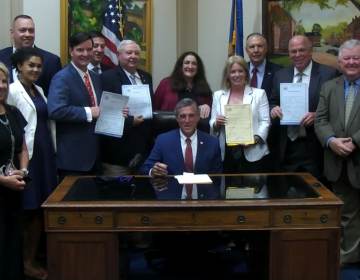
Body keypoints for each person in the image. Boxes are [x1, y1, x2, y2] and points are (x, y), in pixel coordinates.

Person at [8, 47, 57, 280]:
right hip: (27, 158)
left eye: (39, 66)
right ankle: (22, 262)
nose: (36, 69)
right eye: (31, 65)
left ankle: (31, 259)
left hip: (45, 154)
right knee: (27, 211)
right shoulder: (11, 91)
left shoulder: (39, 89)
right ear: (19, 66)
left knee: (39, 209)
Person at [315, 39, 360, 266]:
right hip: (338, 161)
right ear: (339, 62)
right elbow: (320, 120)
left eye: (356, 58)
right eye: (347, 58)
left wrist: (356, 142)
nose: (351, 62)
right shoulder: (329, 87)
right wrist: (331, 140)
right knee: (346, 214)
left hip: (357, 156)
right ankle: (349, 259)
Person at [270, 35, 337, 177]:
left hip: (314, 146)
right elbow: (272, 101)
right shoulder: (280, 75)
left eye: (302, 50)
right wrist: (273, 109)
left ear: (311, 51)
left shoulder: (328, 74)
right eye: (293, 51)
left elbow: (336, 108)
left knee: (316, 194)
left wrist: (317, 115)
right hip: (286, 146)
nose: (297, 55)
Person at [47, 32, 101, 180]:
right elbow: (56, 110)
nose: (86, 54)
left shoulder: (95, 77)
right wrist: (89, 112)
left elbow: (99, 108)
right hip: (73, 159)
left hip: (95, 156)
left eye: (89, 49)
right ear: (71, 51)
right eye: (80, 50)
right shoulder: (62, 77)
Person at [100, 40, 153, 175]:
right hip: (118, 151)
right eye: (129, 53)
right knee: (118, 192)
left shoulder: (146, 77)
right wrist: (130, 121)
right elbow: (106, 114)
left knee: (143, 192)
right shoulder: (107, 78)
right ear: (118, 55)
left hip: (143, 149)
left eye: (136, 53)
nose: (133, 56)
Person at [209, 55, 270, 173]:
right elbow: (212, 122)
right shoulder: (218, 95)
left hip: (253, 150)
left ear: (246, 73)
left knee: (253, 189)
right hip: (226, 151)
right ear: (227, 75)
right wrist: (216, 123)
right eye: (232, 72)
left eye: (240, 71)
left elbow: (265, 121)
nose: (237, 75)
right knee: (228, 189)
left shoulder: (259, 94)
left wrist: (255, 139)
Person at [141, 98, 222, 178]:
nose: (187, 120)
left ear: (198, 117)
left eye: (191, 116)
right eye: (183, 116)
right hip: (172, 189)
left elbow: (217, 176)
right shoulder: (163, 140)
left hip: (202, 190)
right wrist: (153, 171)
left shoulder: (212, 142)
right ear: (177, 118)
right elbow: (146, 167)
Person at [0, 62, 29, 280]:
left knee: (12, 243)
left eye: (3, 81)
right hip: (2, 186)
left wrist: (24, 170)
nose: (1, 86)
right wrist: (2, 180)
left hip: (12, 191)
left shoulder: (12, 111)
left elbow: (23, 147)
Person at [0, 14, 61, 94]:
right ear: (12, 33)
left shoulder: (51, 61)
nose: (27, 34)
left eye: (31, 31)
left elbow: (55, 96)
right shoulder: (1, 57)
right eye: (23, 30)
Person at [153, 51, 212, 131]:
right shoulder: (166, 83)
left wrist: (207, 106)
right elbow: (155, 108)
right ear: (180, 66)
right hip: (169, 132)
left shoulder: (204, 87)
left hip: (196, 134)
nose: (190, 66)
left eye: (194, 64)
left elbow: (211, 114)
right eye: (187, 63)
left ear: (198, 68)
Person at [245, 33, 282, 99]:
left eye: (260, 46)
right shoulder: (240, 70)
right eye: (252, 47)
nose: (256, 50)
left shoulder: (279, 72)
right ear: (247, 50)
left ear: (266, 49)